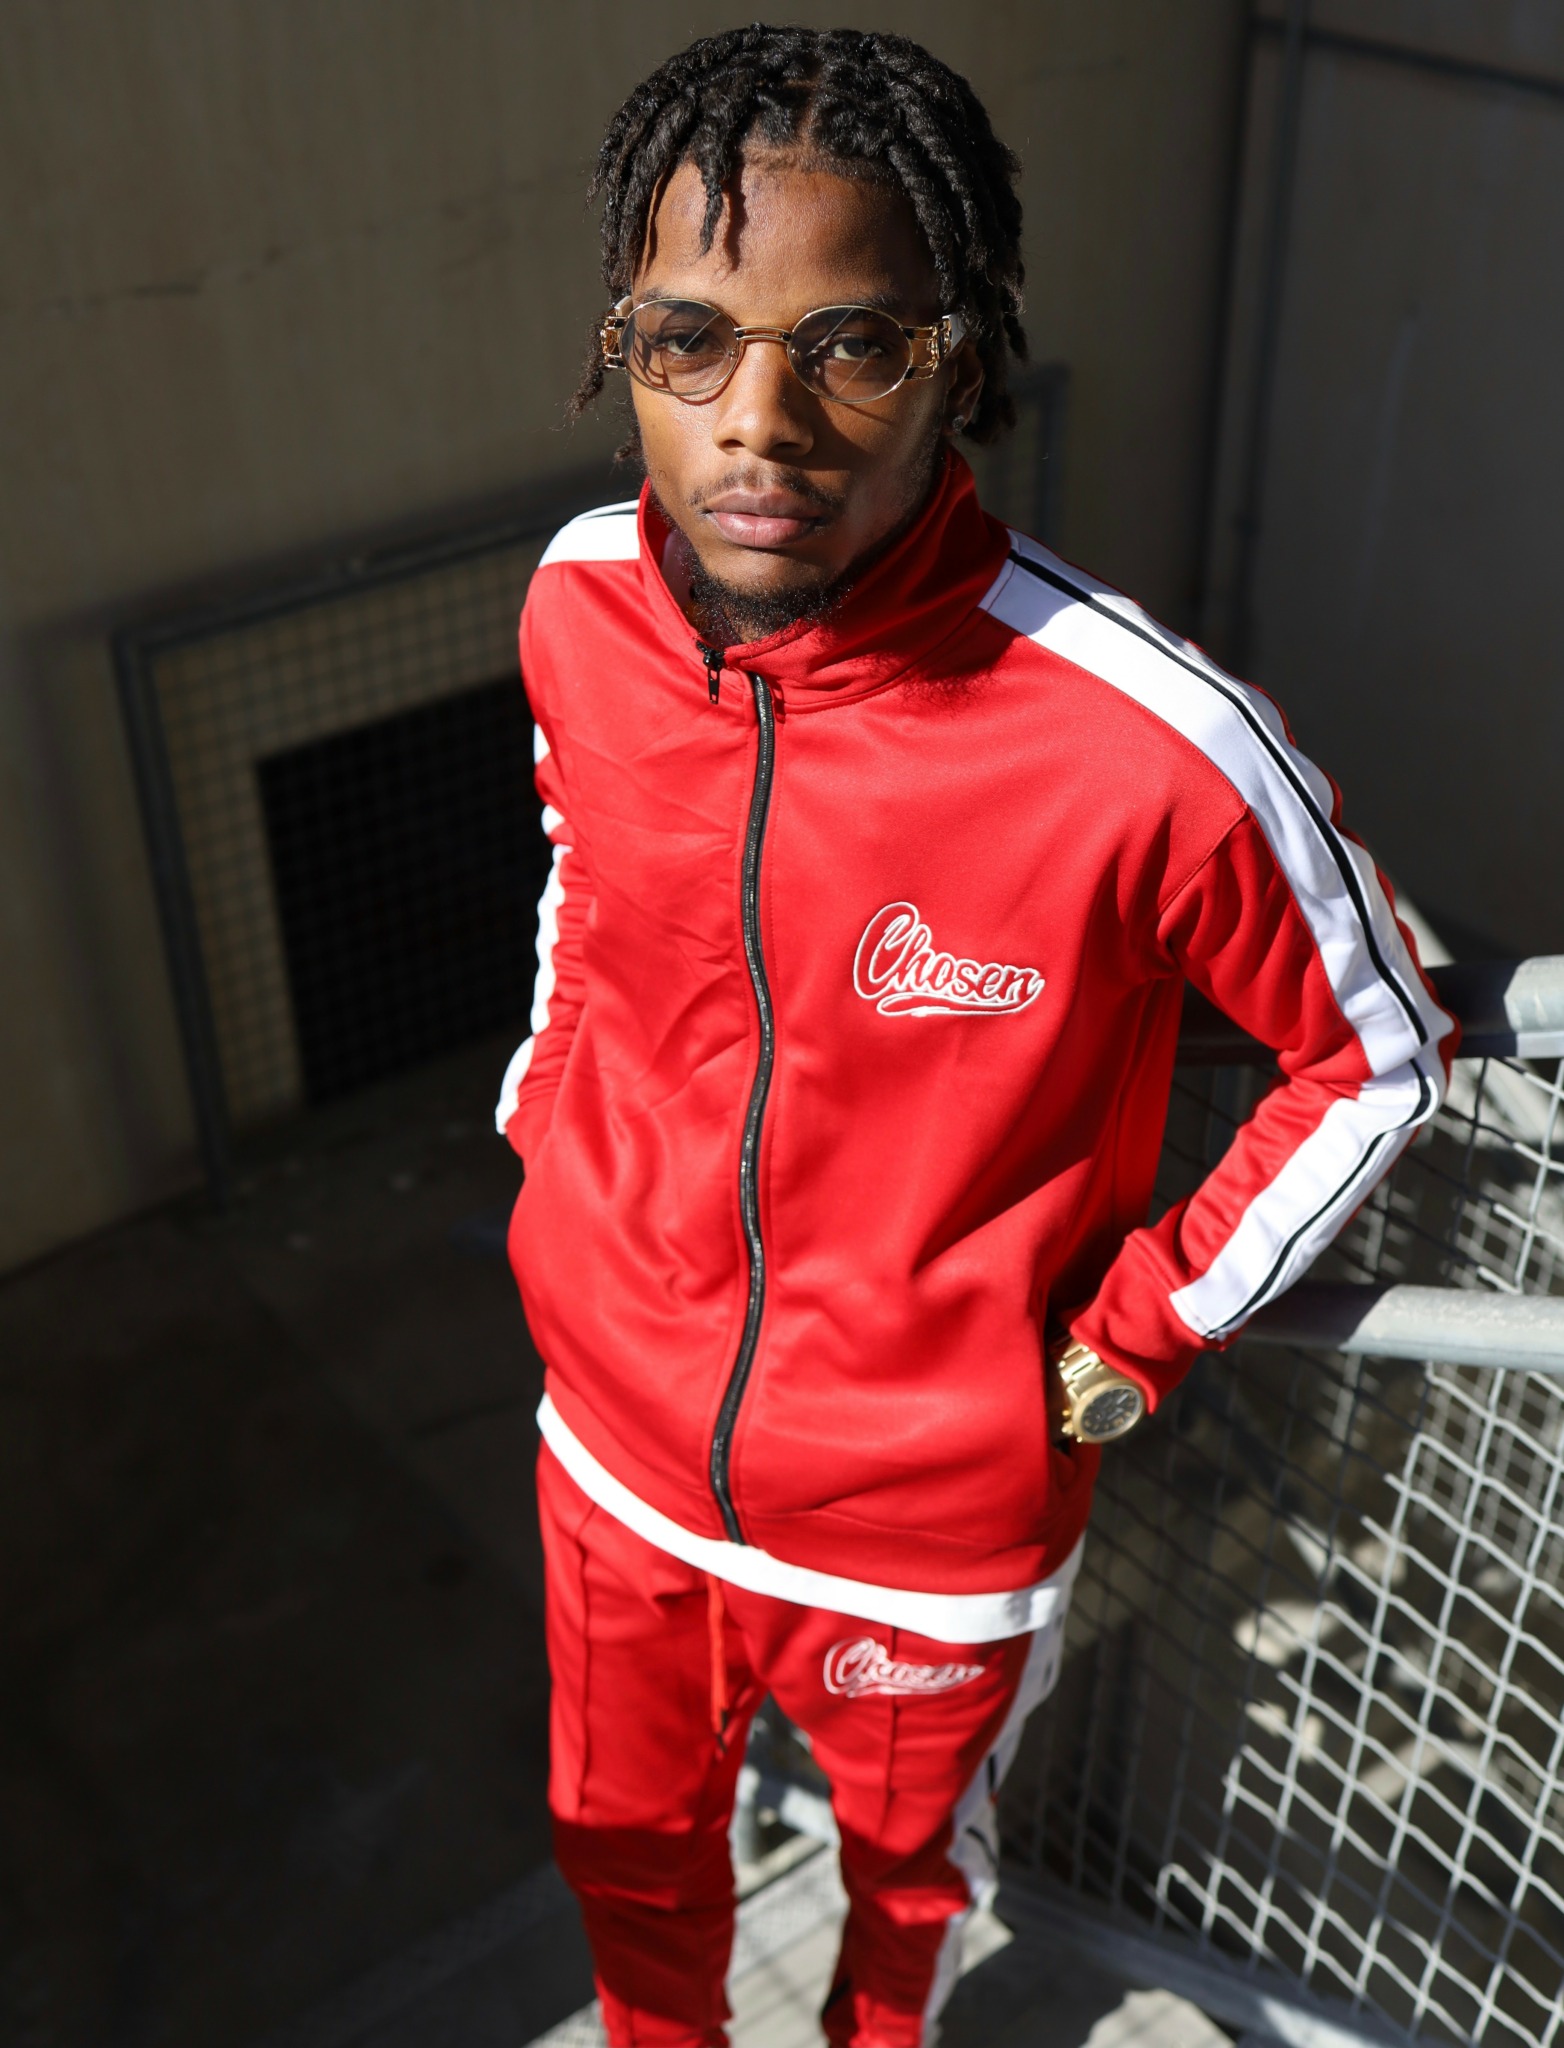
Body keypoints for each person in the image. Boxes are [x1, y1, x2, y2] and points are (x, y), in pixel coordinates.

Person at [495, 25, 1456, 2048]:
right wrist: (544, 1112)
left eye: (853, 346)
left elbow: (1374, 1051)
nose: (759, 421)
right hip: (611, 1455)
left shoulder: (1150, 746)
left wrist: (1143, 1329)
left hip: (931, 1531)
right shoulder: (578, 607)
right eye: (687, 341)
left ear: (961, 362)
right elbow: (580, 865)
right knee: (623, 1851)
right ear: (621, 349)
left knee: (907, 1883)